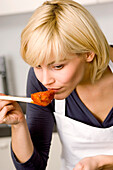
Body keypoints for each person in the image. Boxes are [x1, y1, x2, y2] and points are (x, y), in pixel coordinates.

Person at [0, 0, 113, 169]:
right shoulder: (42, 81)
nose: (46, 80)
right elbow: (33, 168)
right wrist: (18, 124)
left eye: (58, 66)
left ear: (89, 53)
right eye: (38, 66)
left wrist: (102, 161)